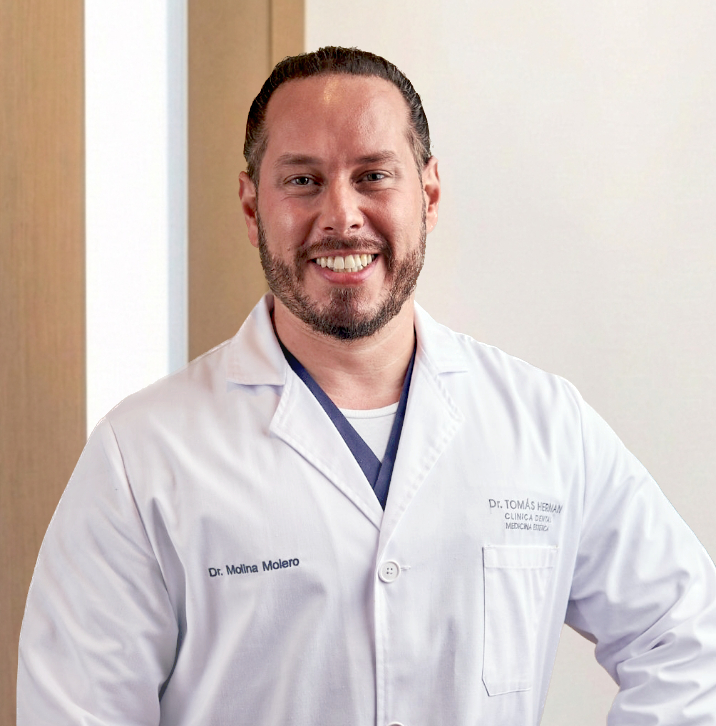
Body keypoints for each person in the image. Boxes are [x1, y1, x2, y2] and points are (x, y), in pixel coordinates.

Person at [18, 46, 716, 725]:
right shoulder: (142, 457)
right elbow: (76, 710)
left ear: (429, 194)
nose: (341, 216)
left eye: (374, 175)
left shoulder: (546, 426)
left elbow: (688, 639)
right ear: (251, 207)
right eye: (302, 180)